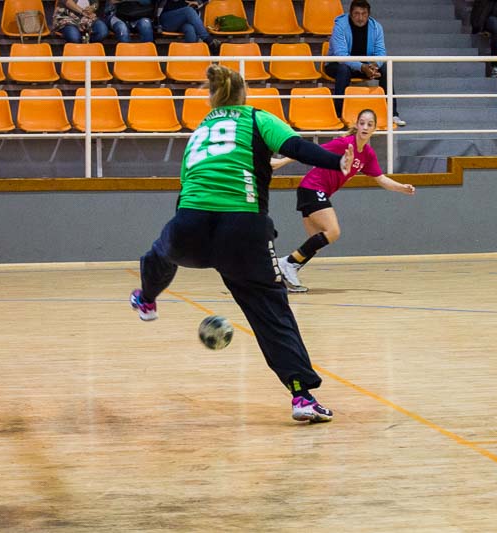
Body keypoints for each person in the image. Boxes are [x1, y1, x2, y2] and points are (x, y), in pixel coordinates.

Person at [130, 65, 355, 423]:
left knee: (160, 253)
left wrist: (181, 233)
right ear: (244, 94)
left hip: (190, 221)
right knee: (270, 310)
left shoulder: (200, 131)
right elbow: (295, 147)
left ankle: (146, 298)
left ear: (213, 97)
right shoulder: (256, 118)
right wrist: (336, 161)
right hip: (243, 228)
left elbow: (188, 184)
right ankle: (302, 396)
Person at [273, 109, 416, 292]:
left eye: (369, 124)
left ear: (374, 129)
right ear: (356, 125)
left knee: (315, 242)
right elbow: (309, 152)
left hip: (314, 191)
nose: (365, 127)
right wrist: (281, 162)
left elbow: (381, 179)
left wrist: (401, 187)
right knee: (333, 231)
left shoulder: (368, 154)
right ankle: (287, 263)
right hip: (312, 187)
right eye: (362, 123)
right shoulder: (344, 144)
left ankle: (287, 272)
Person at [325, 0, 406, 126]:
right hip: (337, 64)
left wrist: (375, 66)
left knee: (385, 68)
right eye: (356, 14)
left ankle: (393, 114)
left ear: (369, 14)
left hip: (365, 66)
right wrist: (362, 67)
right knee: (343, 69)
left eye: (364, 14)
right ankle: (339, 114)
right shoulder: (340, 26)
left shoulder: (376, 27)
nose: (360, 18)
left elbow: (381, 52)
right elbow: (341, 56)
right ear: (350, 14)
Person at [154, 0, 221, 54]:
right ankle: (209, 40)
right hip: (167, 20)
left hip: (182, 21)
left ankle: (188, 58)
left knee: (190, 29)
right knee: (188, 11)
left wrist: (198, 2)